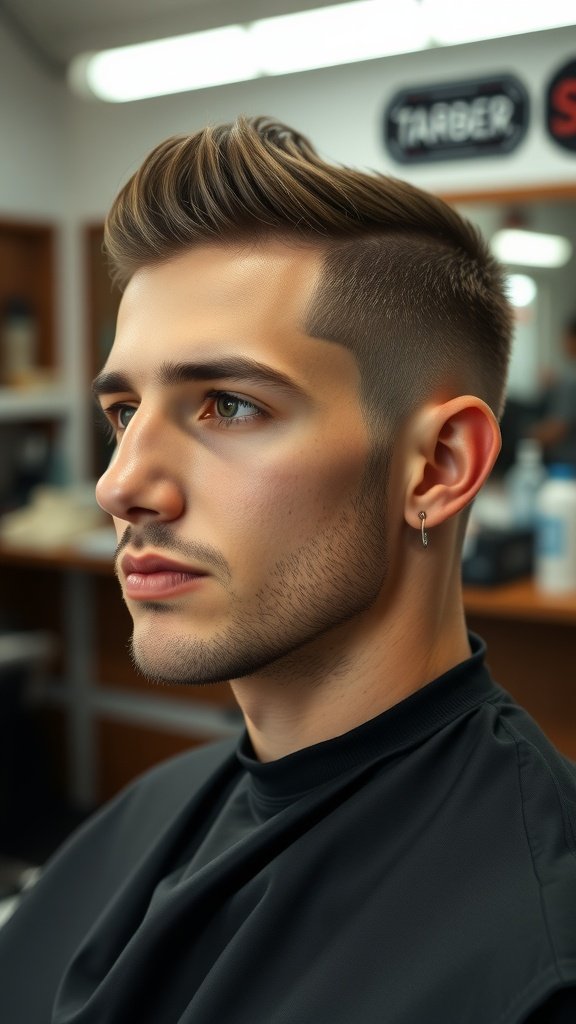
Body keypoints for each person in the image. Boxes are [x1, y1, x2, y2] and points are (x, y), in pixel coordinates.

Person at [0, 117, 575, 1023]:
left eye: (226, 405)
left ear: (438, 467)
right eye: (122, 410)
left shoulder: (537, 963)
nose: (120, 486)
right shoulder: (144, 816)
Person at [529, 317, 576, 467]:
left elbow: (557, 427)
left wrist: (527, 437)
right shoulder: (565, 379)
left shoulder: (570, 380)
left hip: (566, 465)